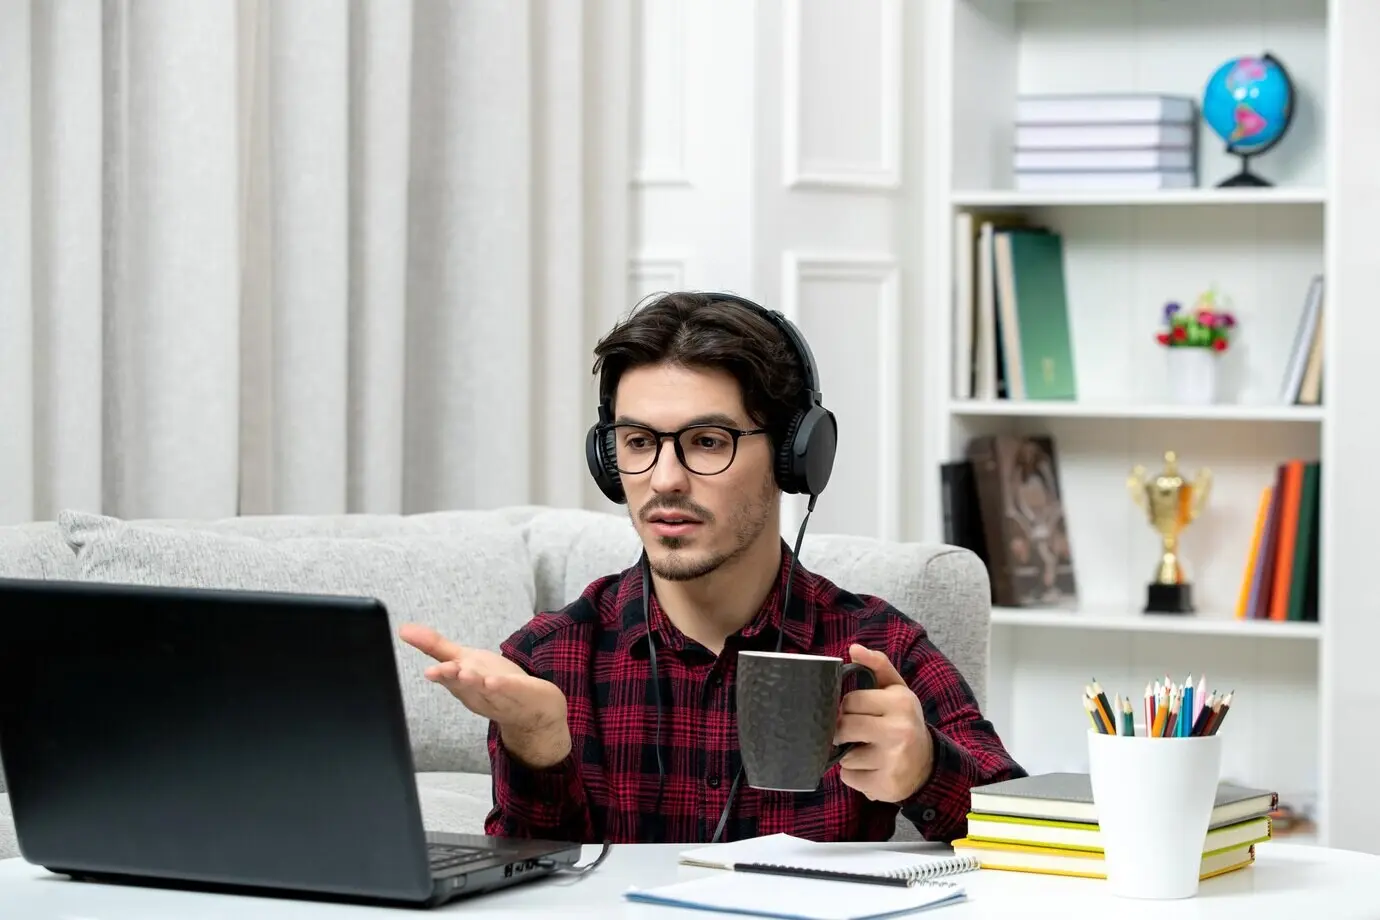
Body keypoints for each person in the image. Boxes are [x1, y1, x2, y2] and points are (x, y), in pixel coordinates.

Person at [400, 291, 1026, 844]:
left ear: (793, 458)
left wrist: (926, 769)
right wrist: (537, 744)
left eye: (706, 442)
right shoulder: (547, 663)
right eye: (638, 442)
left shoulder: (876, 648)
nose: (664, 481)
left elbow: (1030, 833)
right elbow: (528, 898)